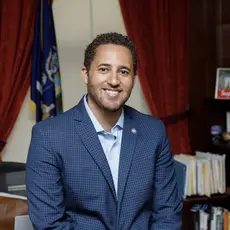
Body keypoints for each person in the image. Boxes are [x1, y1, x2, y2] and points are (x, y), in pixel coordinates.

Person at [26, 32, 182, 230]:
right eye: (104, 69)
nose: (114, 80)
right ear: (85, 74)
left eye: (123, 72)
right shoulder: (48, 136)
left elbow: (167, 214)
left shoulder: (154, 132)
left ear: (133, 79)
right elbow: (49, 224)